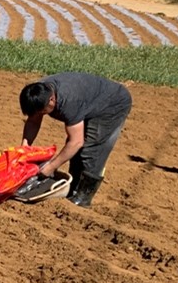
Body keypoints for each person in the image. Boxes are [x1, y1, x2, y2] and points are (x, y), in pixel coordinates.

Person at [18, 72, 132, 207]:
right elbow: (33, 122)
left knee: (90, 151)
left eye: (43, 112)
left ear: (52, 100)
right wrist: (24, 150)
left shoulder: (69, 102)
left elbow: (76, 142)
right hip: (89, 100)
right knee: (76, 154)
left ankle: (84, 196)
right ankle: (73, 187)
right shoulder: (37, 93)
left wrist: (51, 167)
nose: (41, 115)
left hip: (112, 104)